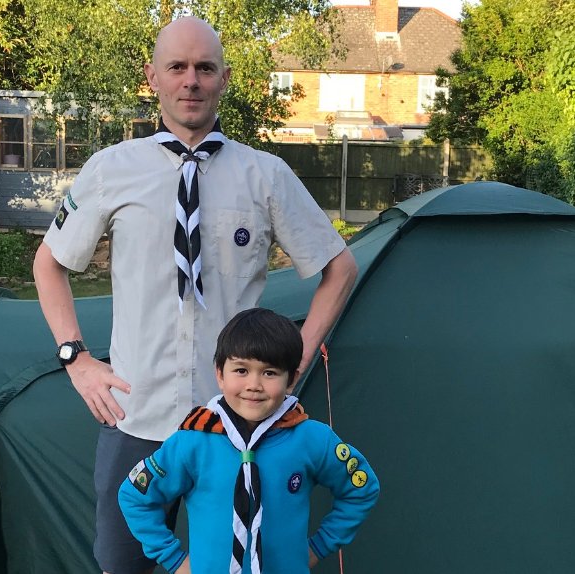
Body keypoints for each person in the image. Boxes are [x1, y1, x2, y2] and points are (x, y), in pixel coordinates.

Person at [32, 15, 358, 574]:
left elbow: (340, 267)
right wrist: (76, 359)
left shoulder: (265, 175)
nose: (191, 81)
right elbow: (49, 263)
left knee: (233, 565)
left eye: (205, 68)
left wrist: (296, 356)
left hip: (236, 425)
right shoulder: (111, 170)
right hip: (135, 414)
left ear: (224, 78)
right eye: (177, 67)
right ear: (152, 77)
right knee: (122, 565)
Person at [118, 308, 380, 573]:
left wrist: (320, 546)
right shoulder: (193, 441)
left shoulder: (312, 439)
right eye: (241, 370)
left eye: (270, 373)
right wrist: (173, 559)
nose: (254, 384)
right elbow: (135, 496)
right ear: (220, 374)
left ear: (292, 379)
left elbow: (361, 488)